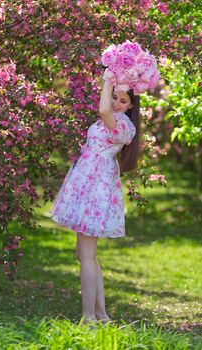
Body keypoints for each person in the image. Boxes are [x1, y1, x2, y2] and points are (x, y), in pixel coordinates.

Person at [49, 70, 141, 326]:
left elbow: (102, 109)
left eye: (122, 100)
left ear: (132, 106)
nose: (115, 103)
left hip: (95, 189)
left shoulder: (122, 124)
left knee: (87, 255)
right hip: (86, 183)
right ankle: (100, 314)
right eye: (114, 97)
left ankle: (88, 316)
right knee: (84, 254)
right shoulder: (107, 122)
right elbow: (103, 113)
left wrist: (108, 78)